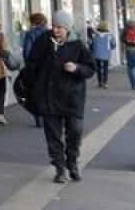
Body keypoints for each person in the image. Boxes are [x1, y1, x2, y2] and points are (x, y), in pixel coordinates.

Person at [19, 11, 96, 184]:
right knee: (53, 136)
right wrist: (34, 85)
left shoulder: (78, 45)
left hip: (72, 98)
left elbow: (91, 68)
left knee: (75, 132)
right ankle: (60, 168)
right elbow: (31, 64)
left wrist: (76, 68)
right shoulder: (43, 42)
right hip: (49, 97)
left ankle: (72, 162)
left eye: (60, 27)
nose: (56, 30)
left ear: (68, 28)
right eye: (54, 26)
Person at [21, 12, 50, 127]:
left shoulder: (30, 34)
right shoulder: (50, 33)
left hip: (34, 66)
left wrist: (28, 64)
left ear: (33, 22)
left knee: (35, 91)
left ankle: (39, 117)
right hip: (48, 66)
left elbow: (27, 51)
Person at [89, 21, 116, 89]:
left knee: (98, 68)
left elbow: (91, 44)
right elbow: (113, 44)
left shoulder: (94, 34)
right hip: (106, 53)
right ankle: (105, 83)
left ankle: (100, 82)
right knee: (105, 68)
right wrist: (111, 48)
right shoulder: (110, 35)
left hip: (97, 53)